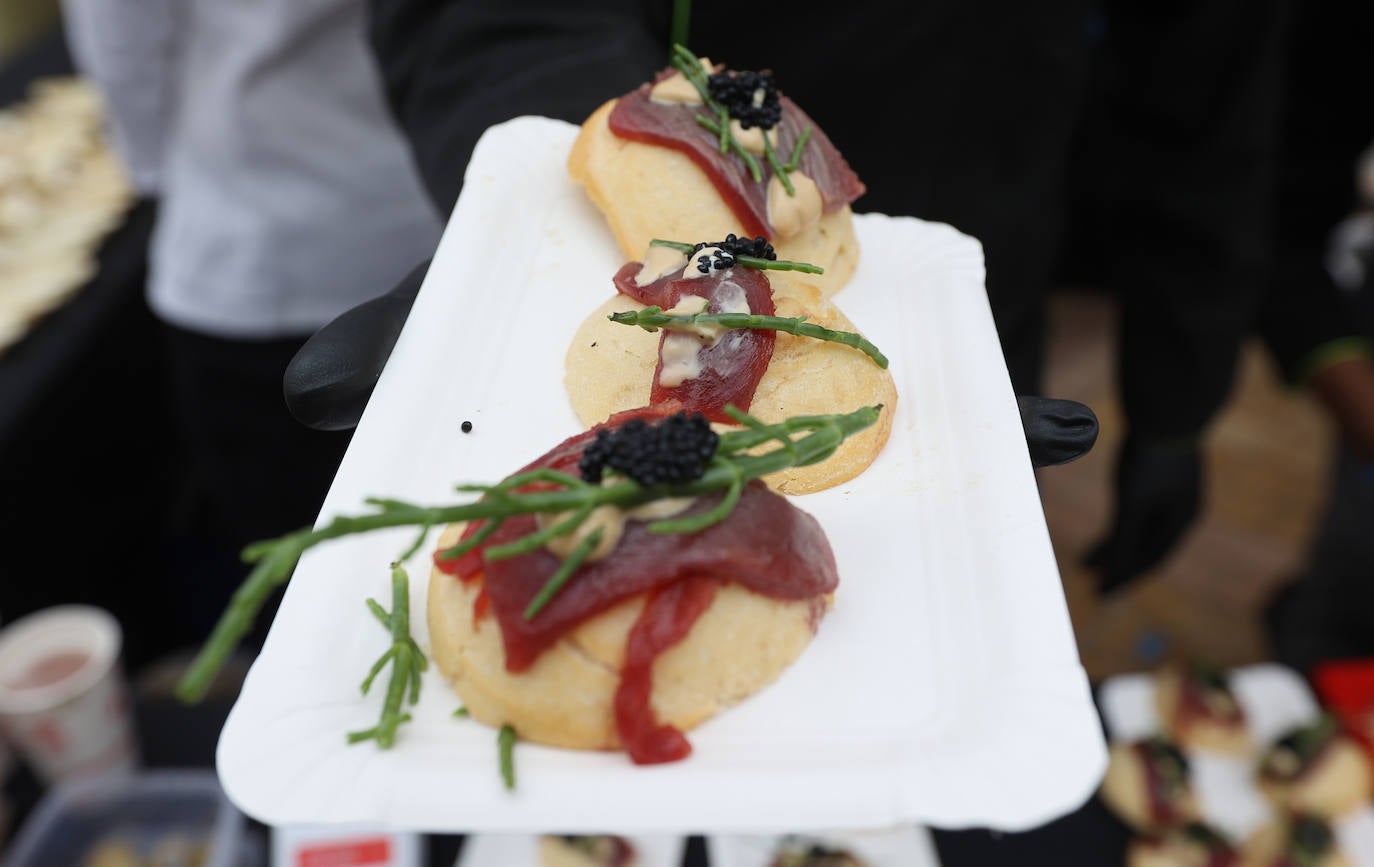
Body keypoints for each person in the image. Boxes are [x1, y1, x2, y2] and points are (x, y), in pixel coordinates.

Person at [58, 0, 443, 650]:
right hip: (411, 195)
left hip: (258, 222)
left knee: (311, 589)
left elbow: (123, 48)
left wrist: (163, 172)